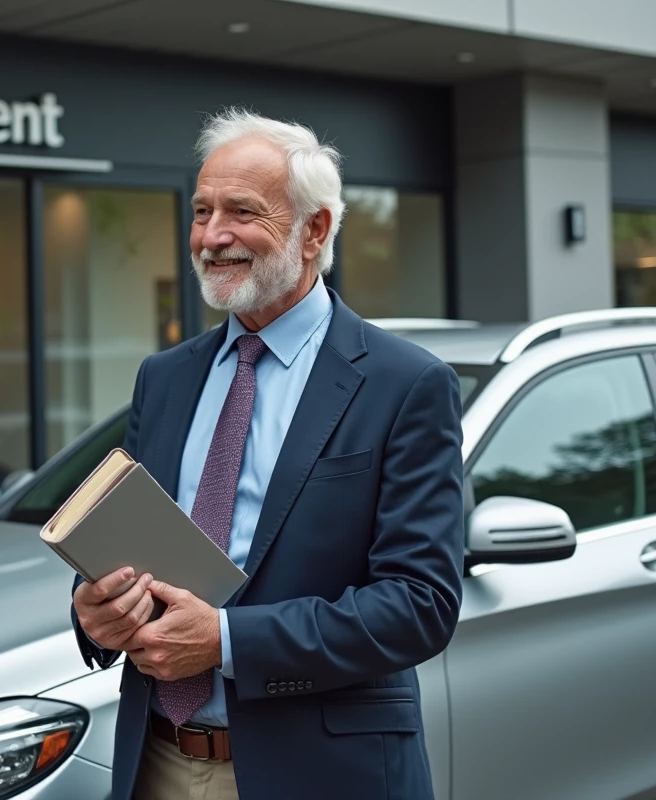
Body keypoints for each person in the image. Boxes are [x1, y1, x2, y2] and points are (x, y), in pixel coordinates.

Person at [71, 107, 465, 800]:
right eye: (201, 211)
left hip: (321, 775)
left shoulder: (406, 384)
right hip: (155, 762)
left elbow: (419, 603)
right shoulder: (163, 379)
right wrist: (94, 613)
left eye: (242, 212)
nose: (212, 235)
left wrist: (228, 640)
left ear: (314, 230)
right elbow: (124, 541)